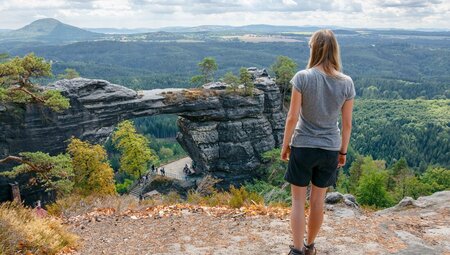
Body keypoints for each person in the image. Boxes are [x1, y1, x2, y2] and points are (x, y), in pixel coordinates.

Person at [281, 29, 355, 255]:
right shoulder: (346, 83)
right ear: (335, 51)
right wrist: (342, 152)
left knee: (297, 201)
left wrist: (286, 145)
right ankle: (310, 246)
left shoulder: (302, 77)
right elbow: (347, 124)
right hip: (329, 149)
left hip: (303, 146)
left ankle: (296, 250)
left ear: (314, 49)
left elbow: (292, 117)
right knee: (317, 203)